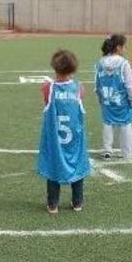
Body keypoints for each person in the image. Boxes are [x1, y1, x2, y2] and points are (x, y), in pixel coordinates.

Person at [37, 49, 91, 214]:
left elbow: (46, 100)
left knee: (53, 169)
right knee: (77, 166)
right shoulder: (79, 88)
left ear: (54, 67)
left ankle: (53, 204)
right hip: (74, 139)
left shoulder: (48, 88)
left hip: (54, 139)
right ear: (74, 68)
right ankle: (77, 202)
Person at [96, 34, 132, 160]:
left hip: (106, 99)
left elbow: (97, 83)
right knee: (126, 123)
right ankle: (127, 152)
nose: (125, 50)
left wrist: (100, 98)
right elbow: (129, 84)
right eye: (124, 47)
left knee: (108, 123)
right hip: (121, 100)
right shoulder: (123, 63)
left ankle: (107, 150)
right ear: (118, 47)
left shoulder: (100, 62)